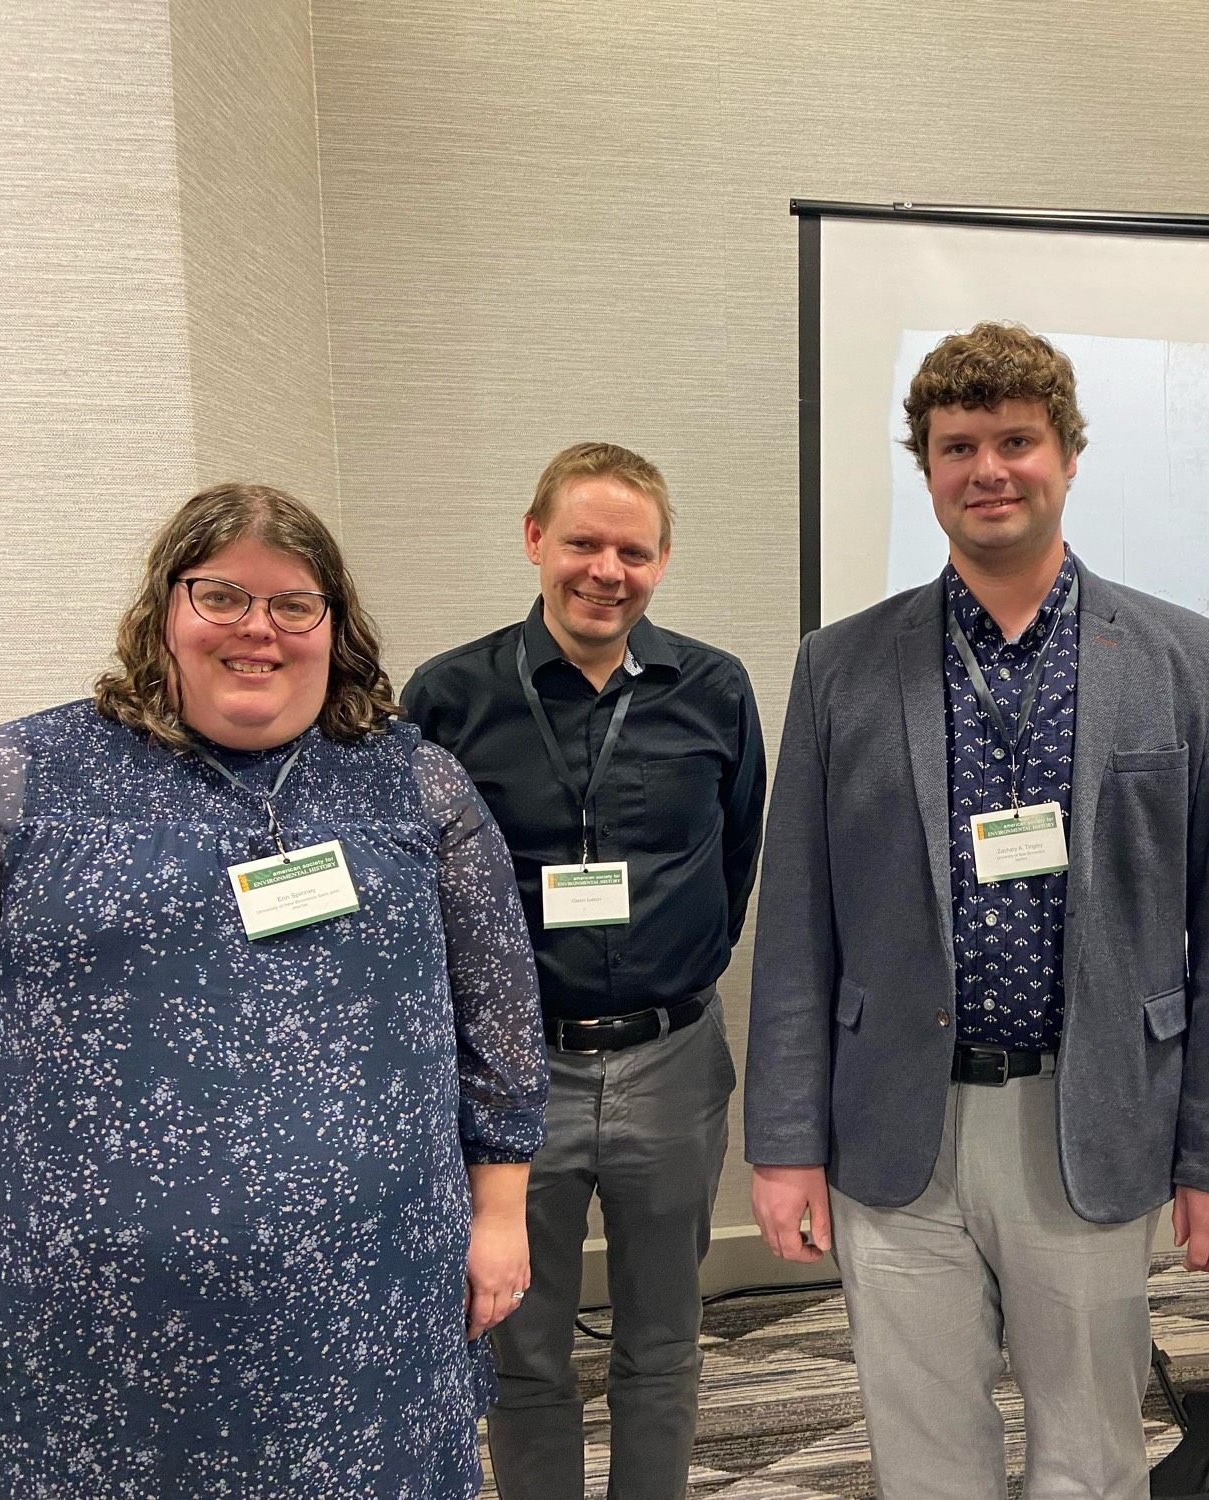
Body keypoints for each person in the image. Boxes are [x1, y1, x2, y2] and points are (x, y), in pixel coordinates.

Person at [0, 483, 548, 1496]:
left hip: (366, 1333)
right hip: (84, 1353)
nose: (258, 629)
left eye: (294, 603)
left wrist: (500, 1214)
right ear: (163, 610)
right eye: (221, 597)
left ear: (334, 628)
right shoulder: (13, 782)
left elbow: (502, 1020)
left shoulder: (414, 786)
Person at [745, 322, 1209, 1499]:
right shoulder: (841, 667)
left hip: (1085, 1115)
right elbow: (795, 927)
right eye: (955, 446)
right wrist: (782, 1142)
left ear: (1067, 456)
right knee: (924, 1446)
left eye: (1015, 440)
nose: (987, 468)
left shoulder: (1186, 661)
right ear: (926, 469)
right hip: (895, 1119)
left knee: (1089, 1449)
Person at [403, 441, 766, 1499]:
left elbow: (735, 855)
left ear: (661, 561)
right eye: (582, 543)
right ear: (533, 540)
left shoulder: (713, 687)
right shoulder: (449, 696)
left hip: (672, 1058)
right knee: (519, 1340)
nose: (606, 570)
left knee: (664, 1334)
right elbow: (419, 883)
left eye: (633, 550)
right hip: (515, 1077)